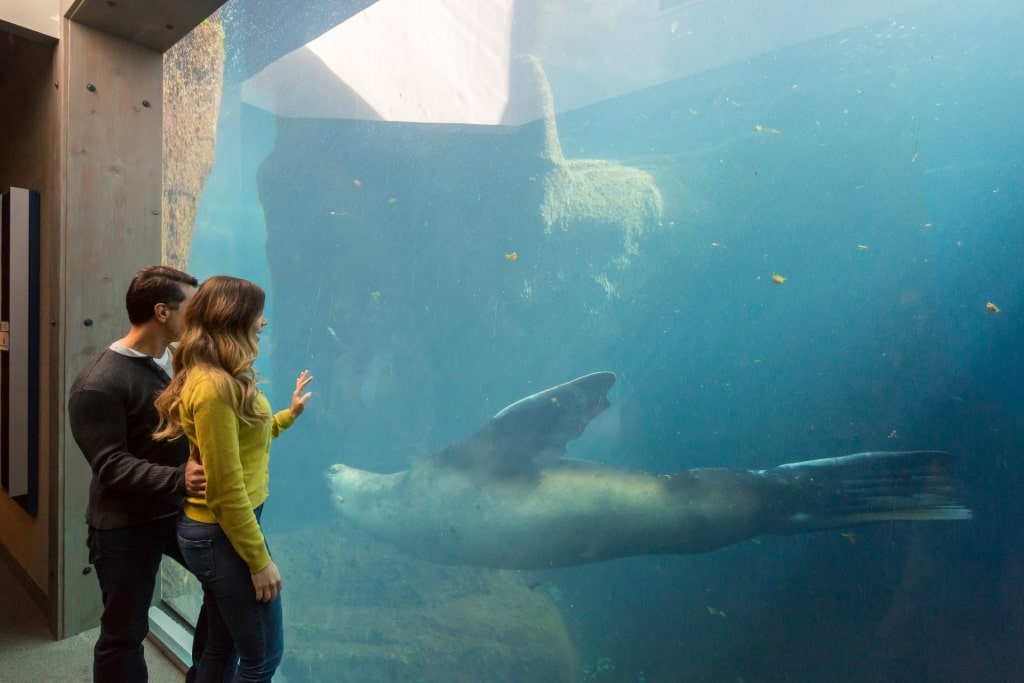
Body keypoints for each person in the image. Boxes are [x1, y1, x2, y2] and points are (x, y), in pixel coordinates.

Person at [153, 275, 313, 683]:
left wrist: (287, 416)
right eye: (258, 313)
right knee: (262, 658)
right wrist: (259, 562)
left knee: (221, 647)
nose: (263, 322)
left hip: (223, 532)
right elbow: (224, 489)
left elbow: (246, 439)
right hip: (222, 534)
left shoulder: (223, 377)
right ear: (233, 317)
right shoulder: (214, 388)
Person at [68, 265, 211, 683]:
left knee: (229, 589)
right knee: (125, 634)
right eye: (193, 307)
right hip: (124, 526)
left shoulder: (176, 359)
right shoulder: (98, 383)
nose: (199, 317)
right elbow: (110, 464)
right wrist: (178, 479)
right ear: (162, 312)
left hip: (176, 512)